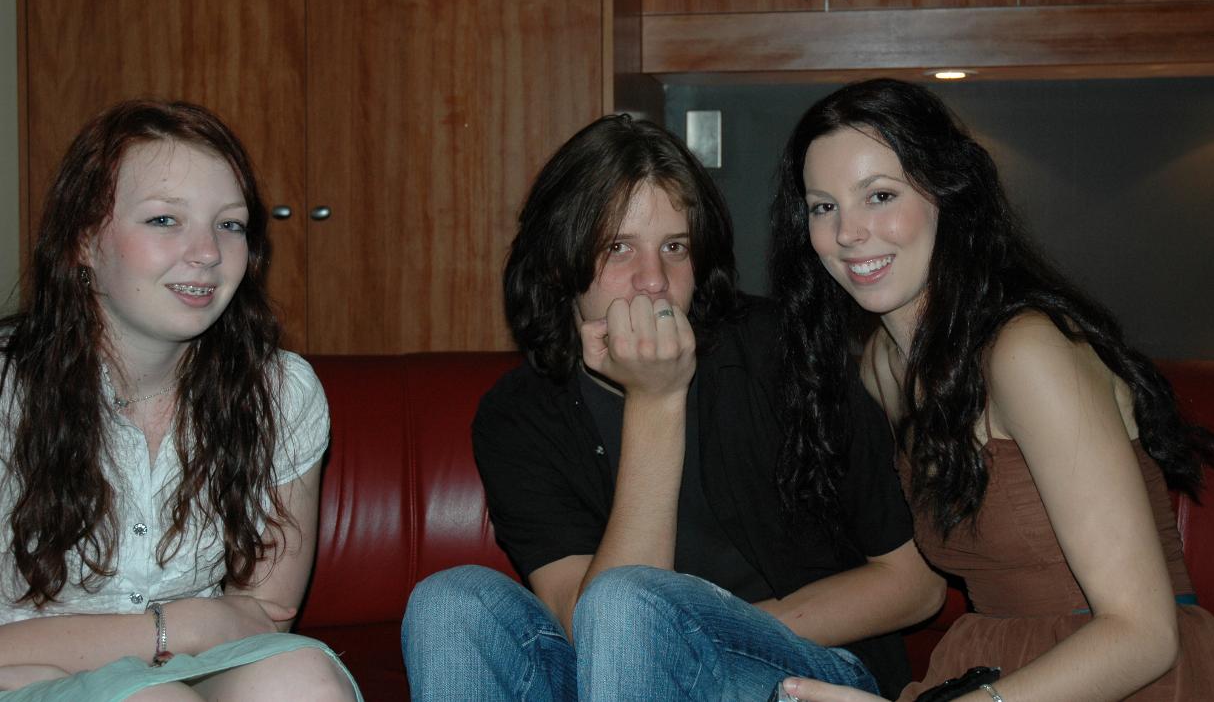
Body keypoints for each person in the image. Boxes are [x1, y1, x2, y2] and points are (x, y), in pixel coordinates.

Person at [400, 114, 944, 701]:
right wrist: (654, 401)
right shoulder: (520, 415)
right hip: (608, 666)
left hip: (799, 669)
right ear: (560, 263)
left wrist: (697, 633)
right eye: (617, 247)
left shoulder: (783, 350)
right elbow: (582, 624)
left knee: (630, 607)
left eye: (674, 247)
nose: (653, 281)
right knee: (450, 602)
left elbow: (915, 583)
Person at [768, 79, 1214, 702]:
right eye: (822, 206)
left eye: (880, 196)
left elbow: (1144, 634)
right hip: (986, 671)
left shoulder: (1024, 350)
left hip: (1126, 678)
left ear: (948, 195)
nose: (849, 233)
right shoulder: (883, 369)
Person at [0, 100, 361, 701]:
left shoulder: (279, 392)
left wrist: (171, 642)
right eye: (165, 220)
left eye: (230, 224)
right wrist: (177, 625)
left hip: (186, 668)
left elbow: (266, 613)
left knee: (303, 677)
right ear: (84, 242)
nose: (208, 253)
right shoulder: (10, 390)